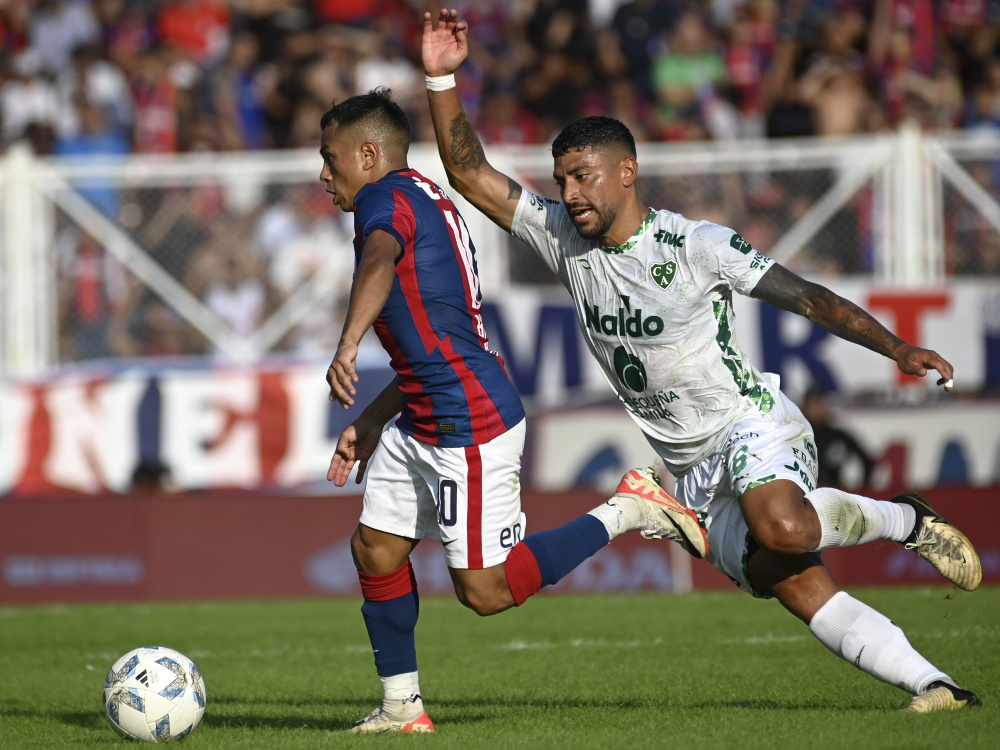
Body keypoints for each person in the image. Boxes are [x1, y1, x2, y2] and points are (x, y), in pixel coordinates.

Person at [422, 9, 983, 714]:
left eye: (583, 177)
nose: (569, 195)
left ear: (627, 172)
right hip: (689, 471)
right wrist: (440, 78)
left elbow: (807, 297)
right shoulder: (562, 237)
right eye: (562, 180)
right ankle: (937, 688)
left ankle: (904, 521)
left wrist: (896, 347)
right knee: (791, 580)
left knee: (783, 527)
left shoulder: (696, 246)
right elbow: (468, 171)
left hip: (749, 423)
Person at [319, 87, 709, 734]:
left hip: (468, 420)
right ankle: (402, 709)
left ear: (367, 155)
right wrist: (372, 418)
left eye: (330, 158)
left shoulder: (383, 203)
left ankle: (631, 507)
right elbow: (436, 343)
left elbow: (380, 261)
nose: (323, 174)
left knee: (486, 592)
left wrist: (348, 342)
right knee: (375, 548)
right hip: (424, 414)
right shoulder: (417, 196)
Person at [800, 384, 874, 489]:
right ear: (805, 407)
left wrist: (862, 489)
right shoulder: (796, 437)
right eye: (814, 404)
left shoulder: (838, 437)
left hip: (833, 493)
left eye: (821, 403)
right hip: (804, 493)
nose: (818, 408)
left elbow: (866, 460)